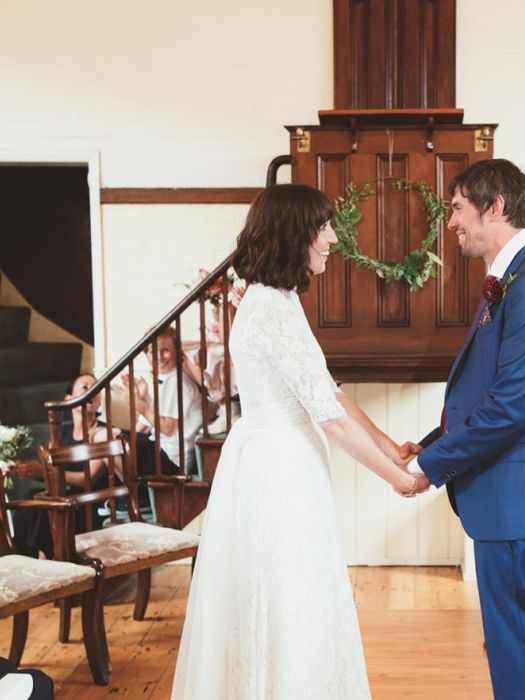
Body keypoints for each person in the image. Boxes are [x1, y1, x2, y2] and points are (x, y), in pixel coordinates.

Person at [171, 184, 424, 699]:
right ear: (295, 234)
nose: (333, 237)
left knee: (296, 592)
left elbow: (328, 392)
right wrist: (399, 479)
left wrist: (390, 445)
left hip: (282, 459)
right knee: (284, 594)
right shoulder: (268, 311)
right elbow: (328, 416)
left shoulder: (278, 301)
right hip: (278, 472)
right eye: (323, 227)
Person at [402, 159, 525, 700]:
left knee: (522, 653)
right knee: (514, 650)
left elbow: (510, 408)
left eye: (458, 208)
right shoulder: (518, 278)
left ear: (496, 206)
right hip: (513, 500)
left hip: (521, 504)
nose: (451, 222)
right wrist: (431, 445)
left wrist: (427, 470)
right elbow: (493, 391)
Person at [11, 373, 120, 558]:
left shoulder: (102, 433)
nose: (91, 392)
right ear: (68, 399)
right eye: (85, 387)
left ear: (99, 401)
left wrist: (42, 471)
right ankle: (25, 557)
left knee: (48, 503)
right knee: (31, 497)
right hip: (63, 498)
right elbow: (52, 474)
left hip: (86, 506)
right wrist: (32, 471)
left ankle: (44, 560)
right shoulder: (61, 432)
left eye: (95, 389)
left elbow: (88, 480)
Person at [121, 326, 203, 474]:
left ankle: (134, 494)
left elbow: (167, 428)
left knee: (113, 443)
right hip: (163, 450)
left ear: (177, 353)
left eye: (165, 350)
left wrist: (141, 405)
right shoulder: (167, 380)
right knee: (115, 438)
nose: (159, 357)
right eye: (153, 351)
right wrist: (142, 397)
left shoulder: (176, 382)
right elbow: (145, 426)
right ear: (146, 355)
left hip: (172, 459)